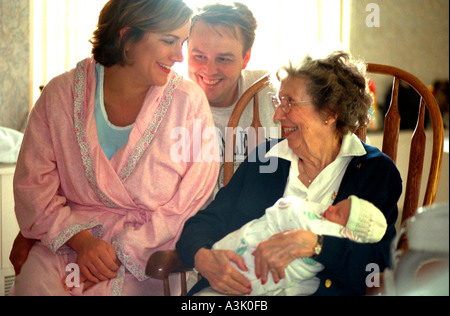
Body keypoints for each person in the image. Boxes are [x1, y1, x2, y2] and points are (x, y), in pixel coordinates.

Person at [10, 0, 219, 296]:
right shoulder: (60, 95)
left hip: (145, 253)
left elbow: (194, 195)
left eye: (183, 42)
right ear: (127, 37)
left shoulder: (189, 102)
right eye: (169, 41)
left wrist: (120, 251)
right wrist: (82, 242)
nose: (179, 56)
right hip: (66, 243)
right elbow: (33, 186)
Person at [176, 51, 403, 296]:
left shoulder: (374, 171)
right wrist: (203, 257)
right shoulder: (266, 160)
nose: (277, 115)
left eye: (289, 103)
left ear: (330, 111)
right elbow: (206, 222)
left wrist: (315, 245)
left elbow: (376, 264)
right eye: (278, 101)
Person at [187, 2, 280, 200]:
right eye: (199, 56)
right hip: (198, 226)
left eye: (223, 59)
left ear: (246, 58)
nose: (209, 70)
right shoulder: (168, 104)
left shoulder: (273, 92)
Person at [206, 195, 387, 296]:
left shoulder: (374, 171)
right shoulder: (268, 156)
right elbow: (210, 218)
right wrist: (199, 255)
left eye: (338, 212)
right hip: (224, 272)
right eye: (335, 205)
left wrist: (317, 244)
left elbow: (377, 269)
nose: (330, 208)